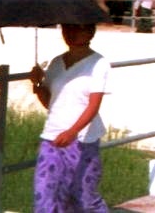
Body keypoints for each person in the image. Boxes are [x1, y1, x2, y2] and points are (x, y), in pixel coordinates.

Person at [29, 23, 111, 213]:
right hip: (52, 137)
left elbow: (93, 105)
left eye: (77, 29)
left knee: (83, 197)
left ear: (90, 32)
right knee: (44, 195)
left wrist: (72, 132)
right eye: (66, 29)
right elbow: (51, 102)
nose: (70, 33)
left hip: (83, 139)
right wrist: (38, 83)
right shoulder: (57, 62)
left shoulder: (99, 63)